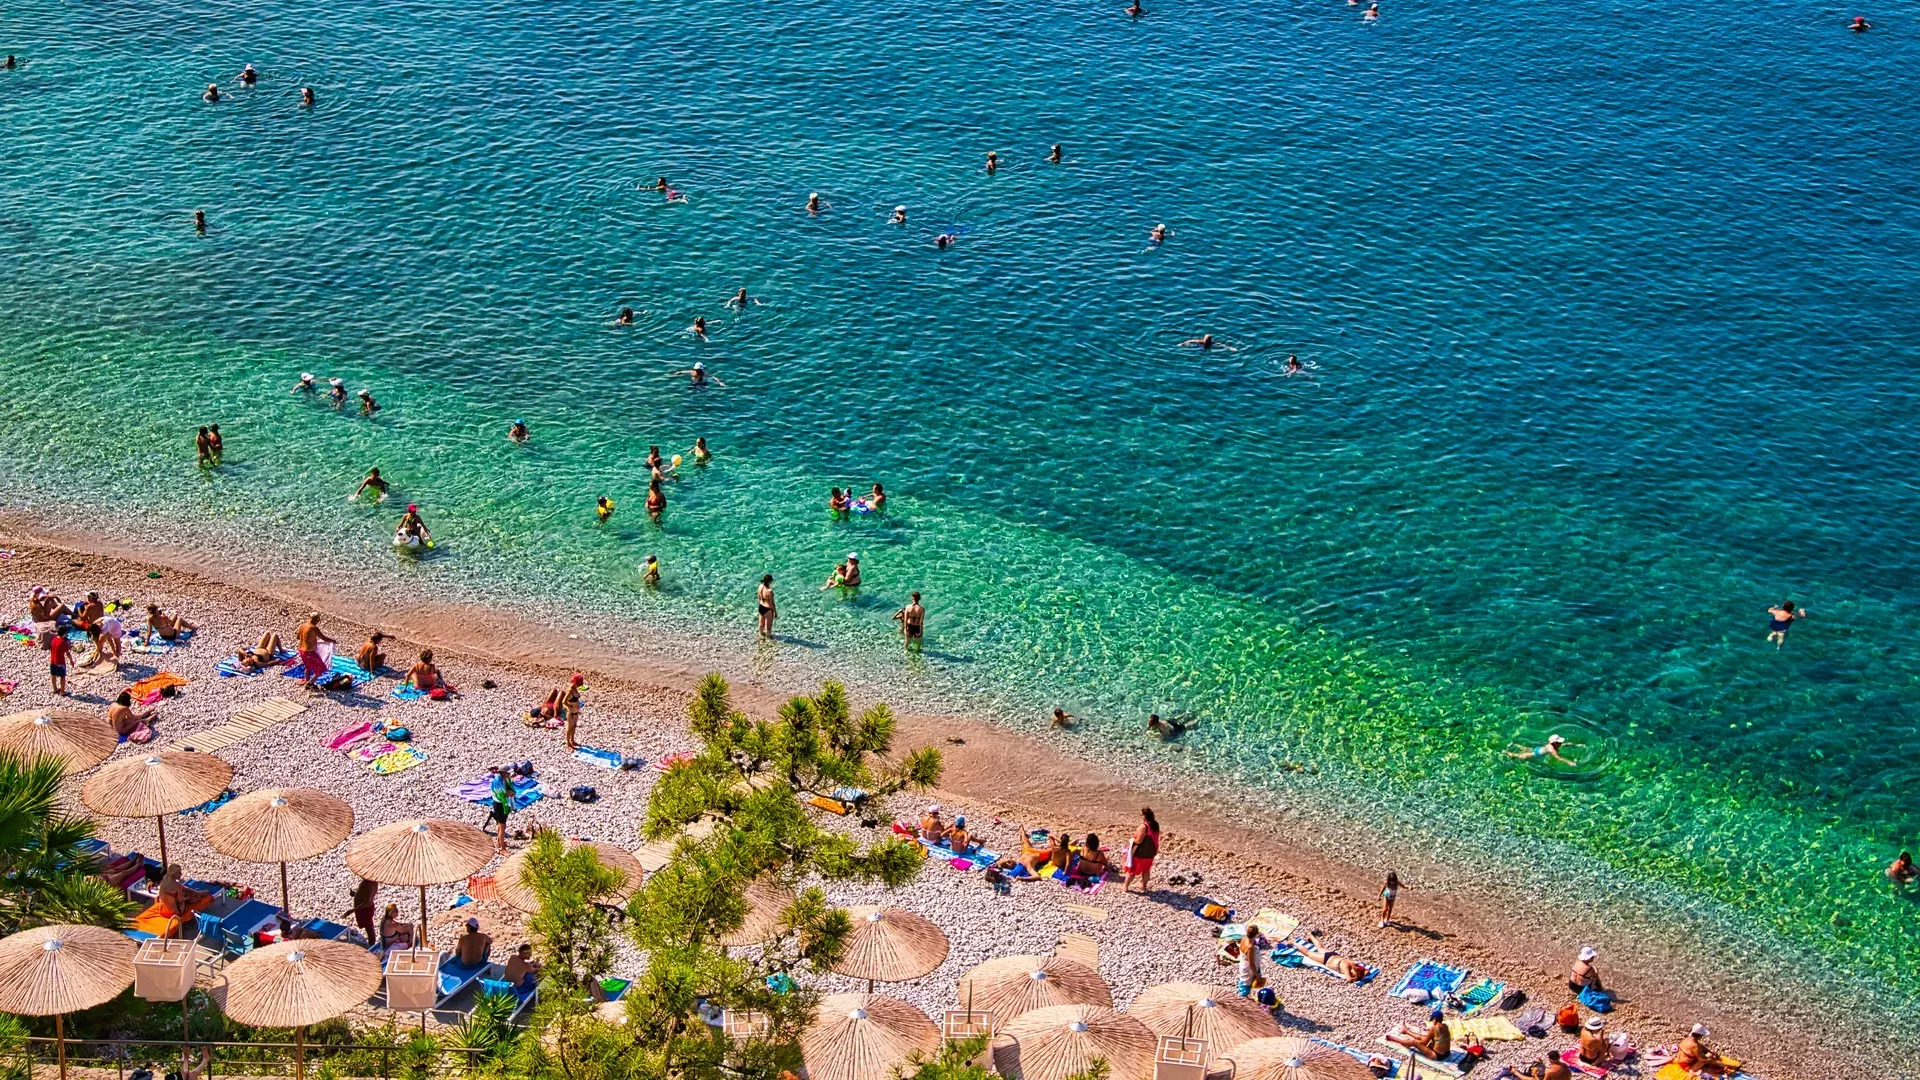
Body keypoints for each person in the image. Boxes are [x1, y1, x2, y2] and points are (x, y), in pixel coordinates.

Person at [1295, 931, 1371, 982]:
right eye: (1353, 974)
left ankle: (1311, 936)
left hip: (1333, 955)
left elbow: (1367, 971)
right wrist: (1357, 978)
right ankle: (1293, 943)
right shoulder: (1346, 967)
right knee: (1308, 953)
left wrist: (1360, 974)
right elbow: (1349, 979)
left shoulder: (1354, 964)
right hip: (1326, 959)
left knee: (1320, 948)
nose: (1353, 975)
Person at [295, 612, 335, 692]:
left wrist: (307, 639)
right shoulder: (313, 628)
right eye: (318, 620)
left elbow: (298, 637)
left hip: (301, 650)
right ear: (316, 619)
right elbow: (324, 638)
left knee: (307, 666)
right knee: (321, 669)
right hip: (309, 652)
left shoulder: (302, 626)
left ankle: (306, 679)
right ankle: (310, 683)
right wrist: (333, 641)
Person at [1124, 808, 1160, 892]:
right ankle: (1143, 886)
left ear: (1144, 816)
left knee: (1132, 870)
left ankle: (1125, 886)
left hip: (1140, 853)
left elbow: (1138, 841)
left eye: (1141, 814)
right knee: (1146, 870)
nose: (1140, 816)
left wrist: (1131, 840)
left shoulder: (1144, 826)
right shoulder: (1155, 825)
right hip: (1151, 852)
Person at [487, 766, 514, 853]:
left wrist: (511, 792)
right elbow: (501, 795)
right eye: (507, 773)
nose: (509, 774)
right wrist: (508, 793)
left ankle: (500, 842)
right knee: (502, 825)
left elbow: (510, 789)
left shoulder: (506, 779)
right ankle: (502, 848)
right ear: (502, 773)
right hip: (499, 805)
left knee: (500, 824)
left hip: (504, 803)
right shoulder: (497, 782)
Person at [1508, 733, 1576, 765]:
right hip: (1537, 753)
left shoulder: (1551, 744)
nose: (1560, 743)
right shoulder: (1552, 750)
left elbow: (1563, 744)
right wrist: (1569, 762)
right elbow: (1558, 758)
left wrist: (1573, 745)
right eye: (1559, 742)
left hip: (1539, 748)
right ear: (1555, 743)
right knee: (1523, 756)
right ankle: (1508, 753)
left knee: (1527, 749)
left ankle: (1515, 745)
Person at [559, 673, 585, 749]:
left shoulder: (575, 688)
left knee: (574, 726)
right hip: (571, 712)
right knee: (569, 728)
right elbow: (564, 701)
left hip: (575, 711)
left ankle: (572, 740)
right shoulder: (570, 690)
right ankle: (568, 743)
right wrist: (569, 706)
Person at [348, 879, 378, 944]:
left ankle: (371, 946)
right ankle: (371, 944)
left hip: (364, 910)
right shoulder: (368, 882)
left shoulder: (369, 885)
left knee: (369, 929)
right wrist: (355, 894)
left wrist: (351, 910)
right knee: (368, 926)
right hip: (364, 909)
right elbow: (364, 895)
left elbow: (366, 902)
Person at [45, 629, 70, 696]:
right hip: (60, 662)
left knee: (53, 675)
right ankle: (62, 691)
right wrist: (71, 661)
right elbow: (67, 653)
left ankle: (55, 689)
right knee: (62, 676)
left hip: (53, 661)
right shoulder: (63, 642)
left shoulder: (54, 640)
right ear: (64, 634)